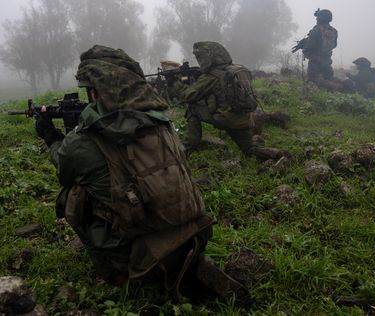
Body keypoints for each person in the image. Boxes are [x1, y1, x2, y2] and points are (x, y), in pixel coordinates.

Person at [34, 45, 247, 302]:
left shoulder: (83, 141)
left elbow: (64, 169)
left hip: (143, 255)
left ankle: (115, 272)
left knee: (71, 195)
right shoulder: (162, 120)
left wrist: (52, 136)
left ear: (96, 92)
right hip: (194, 232)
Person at [182, 41, 290, 160]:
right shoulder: (236, 69)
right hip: (243, 119)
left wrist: (177, 84)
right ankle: (278, 154)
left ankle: (189, 146)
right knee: (250, 150)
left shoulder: (210, 76)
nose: (199, 60)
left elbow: (189, 96)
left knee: (192, 107)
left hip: (227, 120)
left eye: (199, 57)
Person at [294, 9, 338, 90]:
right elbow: (334, 45)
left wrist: (305, 50)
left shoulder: (316, 30)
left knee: (313, 79)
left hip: (315, 61)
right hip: (327, 60)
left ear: (321, 18)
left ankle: (337, 87)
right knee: (328, 78)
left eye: (318, 17)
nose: (316, 19)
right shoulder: (334, 31)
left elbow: (310, 46)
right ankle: (341, 85)